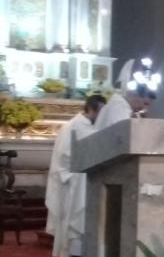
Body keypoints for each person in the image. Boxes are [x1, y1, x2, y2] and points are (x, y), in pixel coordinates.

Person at [45, 95, 106, 257]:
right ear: (92, 109)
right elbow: (62, 159)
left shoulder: (97, 128)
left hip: (92, 183)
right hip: (74, 187)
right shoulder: (71, 127)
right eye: (101, 112)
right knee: (73, 231)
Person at [95, 60, 156, 131]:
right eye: (145, 103)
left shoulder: (120, 105)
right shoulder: (118, 107)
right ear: (135, 94)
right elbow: (125, 135)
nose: (145, 108)